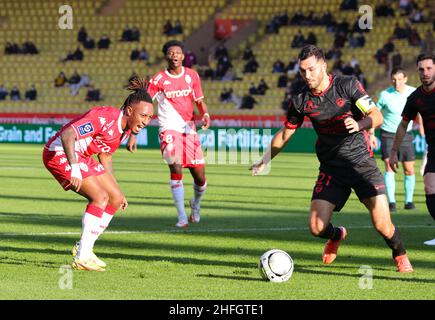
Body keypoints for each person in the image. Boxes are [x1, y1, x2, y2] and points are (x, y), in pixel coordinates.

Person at [250, 45, 413, 272]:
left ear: (324, 66)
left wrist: (359, 124)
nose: (307, 75)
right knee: (316, 228)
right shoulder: (300, 100)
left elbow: (376, 116)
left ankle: (400, 253)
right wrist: (265, 159)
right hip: (331, 169)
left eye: (312, 69)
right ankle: (337, 235)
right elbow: (286, 133)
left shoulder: (347, 85)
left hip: (361, 165)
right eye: (302, 71)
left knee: (382, 225)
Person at [42, 78, 154, 271]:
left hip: (83, 157)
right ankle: (82, 256)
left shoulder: (124, 130)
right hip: (59, 152)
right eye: (143, 115)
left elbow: (105, 156)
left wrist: (117, 189)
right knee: (100, 197)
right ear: (129, 111)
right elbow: (68, 134)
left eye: (149, 118)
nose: (146, 122)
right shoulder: (104, 117)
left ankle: (85, 248)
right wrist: (74, 167)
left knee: (115, 199)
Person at [127, 40, 211, 228]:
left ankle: (195, 205)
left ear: (183, 56)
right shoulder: (158, 80)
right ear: (166, 56)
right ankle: (181, 217)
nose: (175, 55)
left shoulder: (192, 76)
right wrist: (134, 132)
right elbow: (143, 104)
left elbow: (199, 101)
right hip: (168, 129)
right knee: (176, 167)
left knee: (200, 178)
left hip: (189, 130)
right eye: (171, 52)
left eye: (178, 52)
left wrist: (205, 114)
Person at [390, 53, 435, 246]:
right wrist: (393, 151)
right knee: (430, 187)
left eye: (429, 68)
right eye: (421, 69)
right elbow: (403, 125)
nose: (425, 73)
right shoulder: (416, 97)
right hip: (433, 148)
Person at [372, 68, 416, 212]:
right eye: (394, 80)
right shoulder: (385, 95)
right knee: (389, 166)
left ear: (405, 79)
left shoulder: (413, 92)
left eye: (399, 79)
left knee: (409, 169)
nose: (396, 83)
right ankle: (391, 202)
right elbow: (374, 113)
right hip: (388, 134)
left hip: (406, 135)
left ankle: (409, 202)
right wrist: (371, 133)